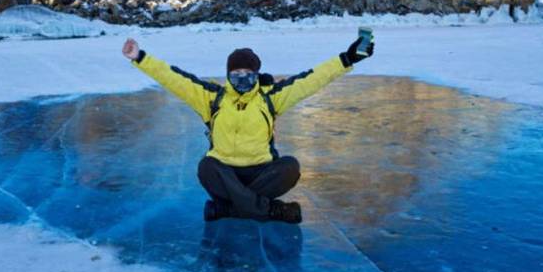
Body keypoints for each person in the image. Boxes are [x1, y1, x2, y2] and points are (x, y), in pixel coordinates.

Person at [121, 35, 374, 224]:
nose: (242, 77)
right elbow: (174, 78)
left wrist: (348, 59)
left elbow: (311, 80)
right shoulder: (212, 98)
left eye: (248, 73)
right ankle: (271, 210)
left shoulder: (271, 98)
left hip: (261, 174)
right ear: (228, 75)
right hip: (224, 174)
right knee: (206, 166)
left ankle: (229, 209)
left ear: (256, 74)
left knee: (290, 166)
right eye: (236, 73)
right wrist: (140, 58)